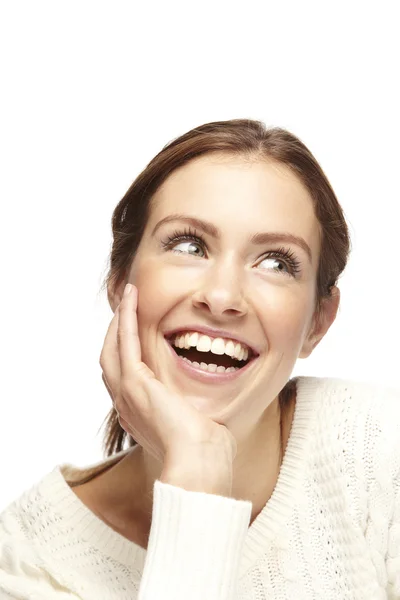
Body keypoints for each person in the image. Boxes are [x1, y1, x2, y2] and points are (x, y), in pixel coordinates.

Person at [0, 119, 399, 600]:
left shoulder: (380, 451)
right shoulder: (31, 561)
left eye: (276, 261)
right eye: (189, 246)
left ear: (318, 321)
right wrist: (196, 475)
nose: (222, 295)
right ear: (119, 279)